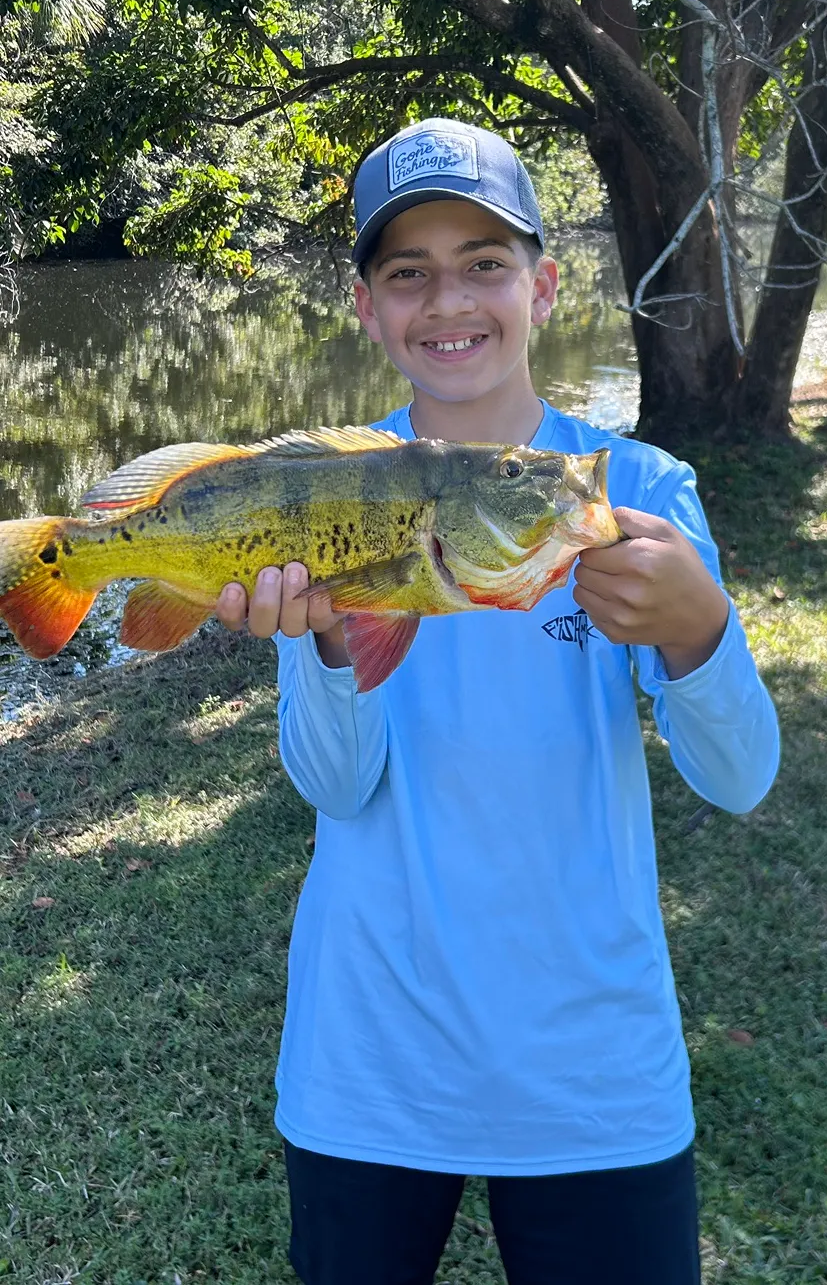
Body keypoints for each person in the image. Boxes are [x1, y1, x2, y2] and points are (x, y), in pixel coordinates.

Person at [212, 116, 780, 1285]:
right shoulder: (328, 490)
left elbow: (739, 777)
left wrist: (698, 633)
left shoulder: (634, 489)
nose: (449, 301)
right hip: (370, 1057)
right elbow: (332, 784)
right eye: (407, 272)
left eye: (484, 263)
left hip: (593, 1069)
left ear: (544, 285)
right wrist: (322, 647)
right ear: (365, 308)